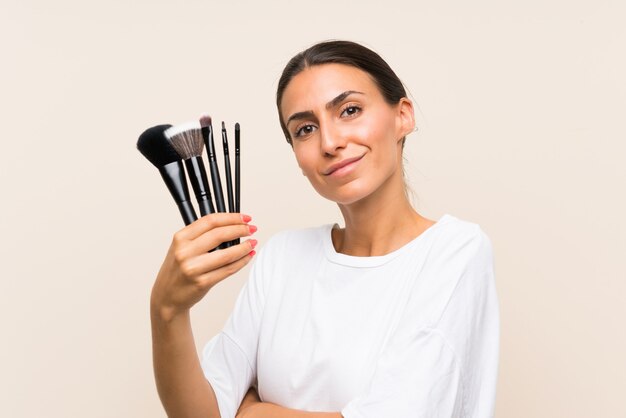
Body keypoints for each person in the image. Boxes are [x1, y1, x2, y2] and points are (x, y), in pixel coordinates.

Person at [150, 40, 500, 418]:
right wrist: (166, 310)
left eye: (349, 110)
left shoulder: (455, 251)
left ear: (403, 116)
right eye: (305, 129)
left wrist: (251, 412)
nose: (330, 142)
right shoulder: (282, 258)